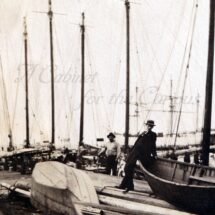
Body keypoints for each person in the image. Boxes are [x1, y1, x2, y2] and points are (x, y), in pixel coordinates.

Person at [117, 120, 157, 192]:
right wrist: (130, 152)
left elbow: (153, 145)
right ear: (146, 125)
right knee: (127, 168)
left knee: (129, 168)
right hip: (134, 152)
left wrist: (154, 154)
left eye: (151, 126)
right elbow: (136, 143)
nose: (149, 127)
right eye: (148, 125)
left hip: (143, 154)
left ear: (152, 127)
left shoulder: (153, 135)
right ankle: (129, 186)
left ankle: (124, 185)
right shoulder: (142, 133)